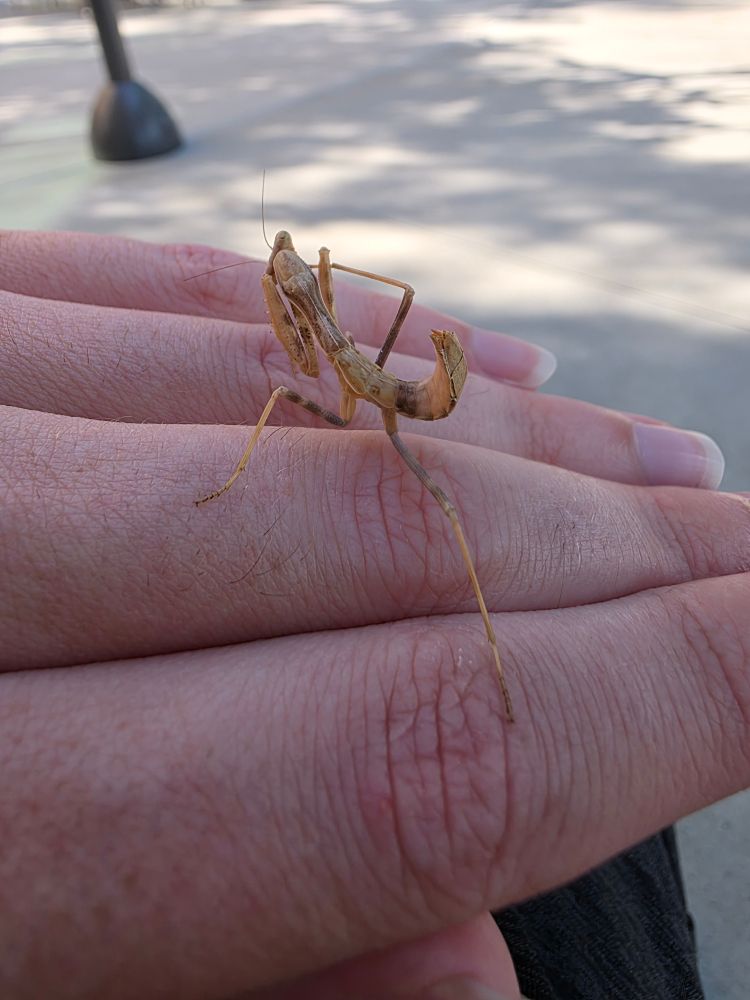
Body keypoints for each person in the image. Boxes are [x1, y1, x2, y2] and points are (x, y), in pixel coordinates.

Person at [0, 229, 745, 1000]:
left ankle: (493, 652)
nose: (280, 283)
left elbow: (302, 365)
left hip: (406, 400)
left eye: (284, 279)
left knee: (426, 499)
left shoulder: (326, 339)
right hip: (384, 382)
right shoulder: (311, 304)